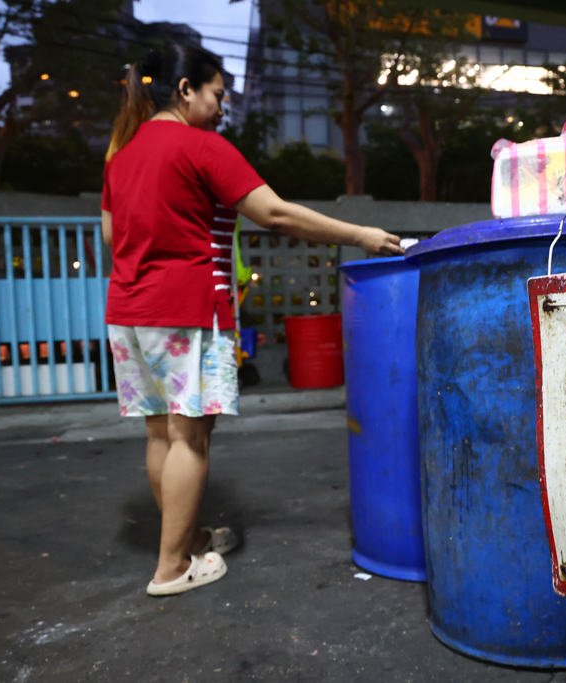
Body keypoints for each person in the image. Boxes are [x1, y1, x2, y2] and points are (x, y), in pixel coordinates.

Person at [101, 45, 403, 596]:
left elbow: (109, 233)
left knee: (160, 432)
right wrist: (360, 235)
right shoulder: (202, 146)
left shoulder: (121, 153)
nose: (222, 108)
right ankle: (172, 568)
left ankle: (188, 541)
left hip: (128, 311)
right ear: (185, 89)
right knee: (190, 436)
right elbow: (276, 214)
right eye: (217, 94)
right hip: (187, 307)